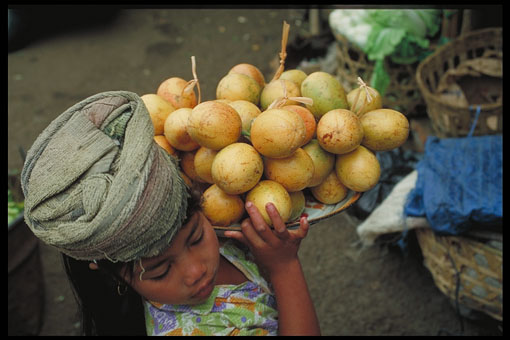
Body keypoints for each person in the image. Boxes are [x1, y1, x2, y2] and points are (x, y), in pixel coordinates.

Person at [21, 91, 320, 336]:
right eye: (160, 270)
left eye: (196, 238)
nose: (196, 271)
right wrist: (285, 269)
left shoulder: (223, 232)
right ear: (111, 272)